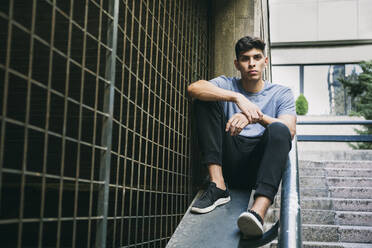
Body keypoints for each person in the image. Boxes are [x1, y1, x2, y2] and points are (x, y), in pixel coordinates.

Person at [187, 36, 296, 237]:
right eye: (245, 59)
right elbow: (194, 88)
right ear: (237, 64)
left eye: (257, 57)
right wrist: (237, 98)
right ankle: (218, 186)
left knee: (279, 129)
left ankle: (257, 212)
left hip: (259, 165)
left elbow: (289, 129)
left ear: (266, 61)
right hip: (228, 157)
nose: (252, 63)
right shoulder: (226, 84)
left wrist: (254, 117)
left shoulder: (281, 93)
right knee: (204, 100)